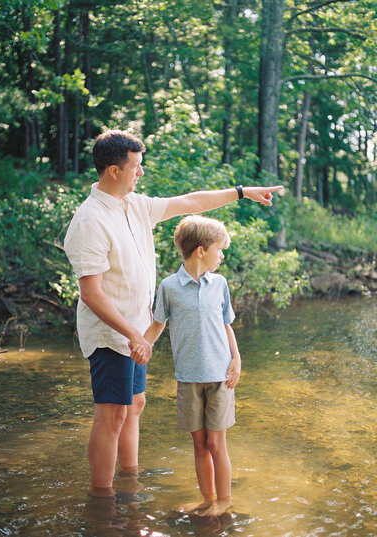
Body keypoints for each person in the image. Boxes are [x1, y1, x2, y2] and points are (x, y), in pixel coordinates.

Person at [63, 128, 282, 498]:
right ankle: (102, 499)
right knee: (112, 414)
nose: (141, 173)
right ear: (113, 170)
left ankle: (130, 482)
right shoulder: (89, 221)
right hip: (111, 335)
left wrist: (242, 193)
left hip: (136, 334)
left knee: (134, 404)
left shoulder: (135, 206)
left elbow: (192, 203)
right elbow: (91, 295)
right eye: (136, 166)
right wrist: (134, 335)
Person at [130, 215, 240, 516]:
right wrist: (140, 344)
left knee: (217, 443)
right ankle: (207, 500)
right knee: (200, 444)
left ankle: (225, 502)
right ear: (201, 250)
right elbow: (157, 324)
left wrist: (236, 359)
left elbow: (227, 324)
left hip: (219, 376)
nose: (223, 255)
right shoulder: (169, 287)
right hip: (188, 378)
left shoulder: (220, 284)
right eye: (220, 249)